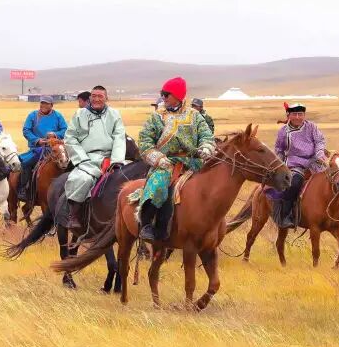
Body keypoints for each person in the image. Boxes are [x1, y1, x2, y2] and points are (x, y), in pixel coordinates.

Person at [136, 77, 215, 241]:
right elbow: (144, 141)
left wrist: (207, 147)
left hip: (193, 162)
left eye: (166, 94)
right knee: (158, 184)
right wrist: (157, 158)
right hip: (166, 163)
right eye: (162, 94)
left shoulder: (195, 116)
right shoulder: (156, 117)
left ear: (178, 96)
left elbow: (206, 135)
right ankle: (147, 225)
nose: (163, 98)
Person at [64, 85, 127, 229]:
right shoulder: (79, 114)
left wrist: (116, 160)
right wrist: (82, 159)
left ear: (106, 98)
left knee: (130, 177)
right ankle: (74, 215)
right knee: (82, 179)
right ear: (90, 98)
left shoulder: (114, 114)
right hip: (87, 158)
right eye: (94, 96)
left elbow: (119, 137)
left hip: (110, 158)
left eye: (100, 96)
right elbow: (70, 138)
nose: (97, 99)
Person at [274, 102, 328, 228]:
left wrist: (320, 153)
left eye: (300, 114)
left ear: (304, 115)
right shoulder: (283, 132)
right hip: (295, 163)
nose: (298, 117)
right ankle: (285, 215)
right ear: (289, 115)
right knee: (294, 183)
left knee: (332, 178)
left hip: (315, 161)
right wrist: (280, 164)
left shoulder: (311, 127)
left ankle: (332, 211)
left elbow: (319, 141)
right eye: (295, 114)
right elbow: (279, 149)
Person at [18, 96, 67, 174]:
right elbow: (26, 130)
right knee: (25, 163)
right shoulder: (32, 115)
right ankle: (25, 182)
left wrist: (55, 134)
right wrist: (37, 140)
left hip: (55, 148)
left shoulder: (58, 116)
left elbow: (65, 130)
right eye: (42, 103)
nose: (43, 105)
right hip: (37, 149)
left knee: (69, 163)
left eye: (46, 104)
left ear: (51, 105)